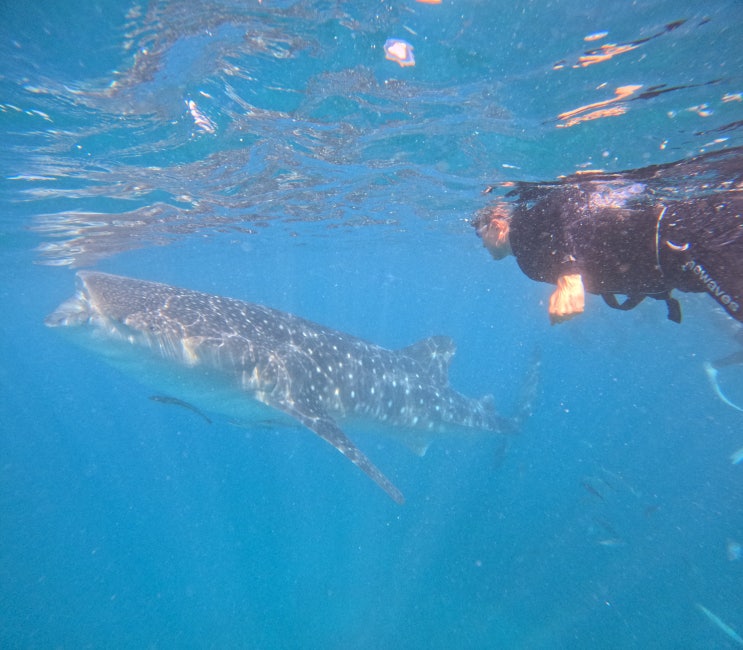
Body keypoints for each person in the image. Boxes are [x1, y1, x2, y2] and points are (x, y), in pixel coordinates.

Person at [473, 147, 743, 325]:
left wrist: (569, 273)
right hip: (681, 260)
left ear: (495, 224)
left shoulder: (524, 225)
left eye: (478, 232)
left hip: (690, 238)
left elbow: (570, 198)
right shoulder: (526, 259)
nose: (481, 243)